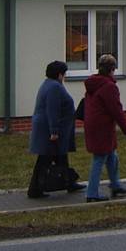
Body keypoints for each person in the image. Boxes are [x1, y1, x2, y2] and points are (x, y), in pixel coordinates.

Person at [27, 60, 86, 198]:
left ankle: (69, 182)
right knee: (45, 159)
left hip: (49, 128)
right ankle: (35, 189)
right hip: (50, 130)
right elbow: (52, 110)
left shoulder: (48, 84)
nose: (64, 76)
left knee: (61, 157)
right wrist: (54, 131)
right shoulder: (55, 87)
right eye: (64, 74)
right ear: (59, 74)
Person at [84, 54, 126, 202]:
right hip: (103, 127)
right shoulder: (109, 87)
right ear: (112, 69)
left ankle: (115, 184)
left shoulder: (93, 83)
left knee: (112, 155)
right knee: (99, 158)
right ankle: (92, 193)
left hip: (93, 125)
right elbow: (116, 110)